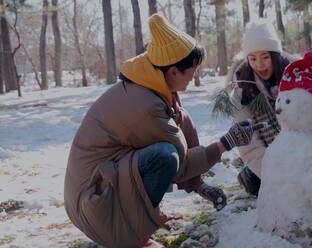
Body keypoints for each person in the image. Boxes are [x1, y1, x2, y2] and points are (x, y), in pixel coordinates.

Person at [64, 14, 263, 248]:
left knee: (178, 124)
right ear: (172, 72)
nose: (194, 77)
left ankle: (146, 216)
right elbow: (179, 164)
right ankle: (136, 239)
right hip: (95, 207)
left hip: (101, 189)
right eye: (192, 71)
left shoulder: (150, 82)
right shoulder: (145, 106)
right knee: (165, 156)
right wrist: (225, 143)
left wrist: (197, 184)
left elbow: (181, 129)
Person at [225, 19, 295, 196]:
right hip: (267, 156)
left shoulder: (295, 77)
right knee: (260, 187)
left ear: (275, 56)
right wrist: (277, 178)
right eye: (253, 58)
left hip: (297, 147)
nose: (259, 65)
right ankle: (248, 176)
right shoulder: (242, 91)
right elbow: (250, 146)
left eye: (265, 57)